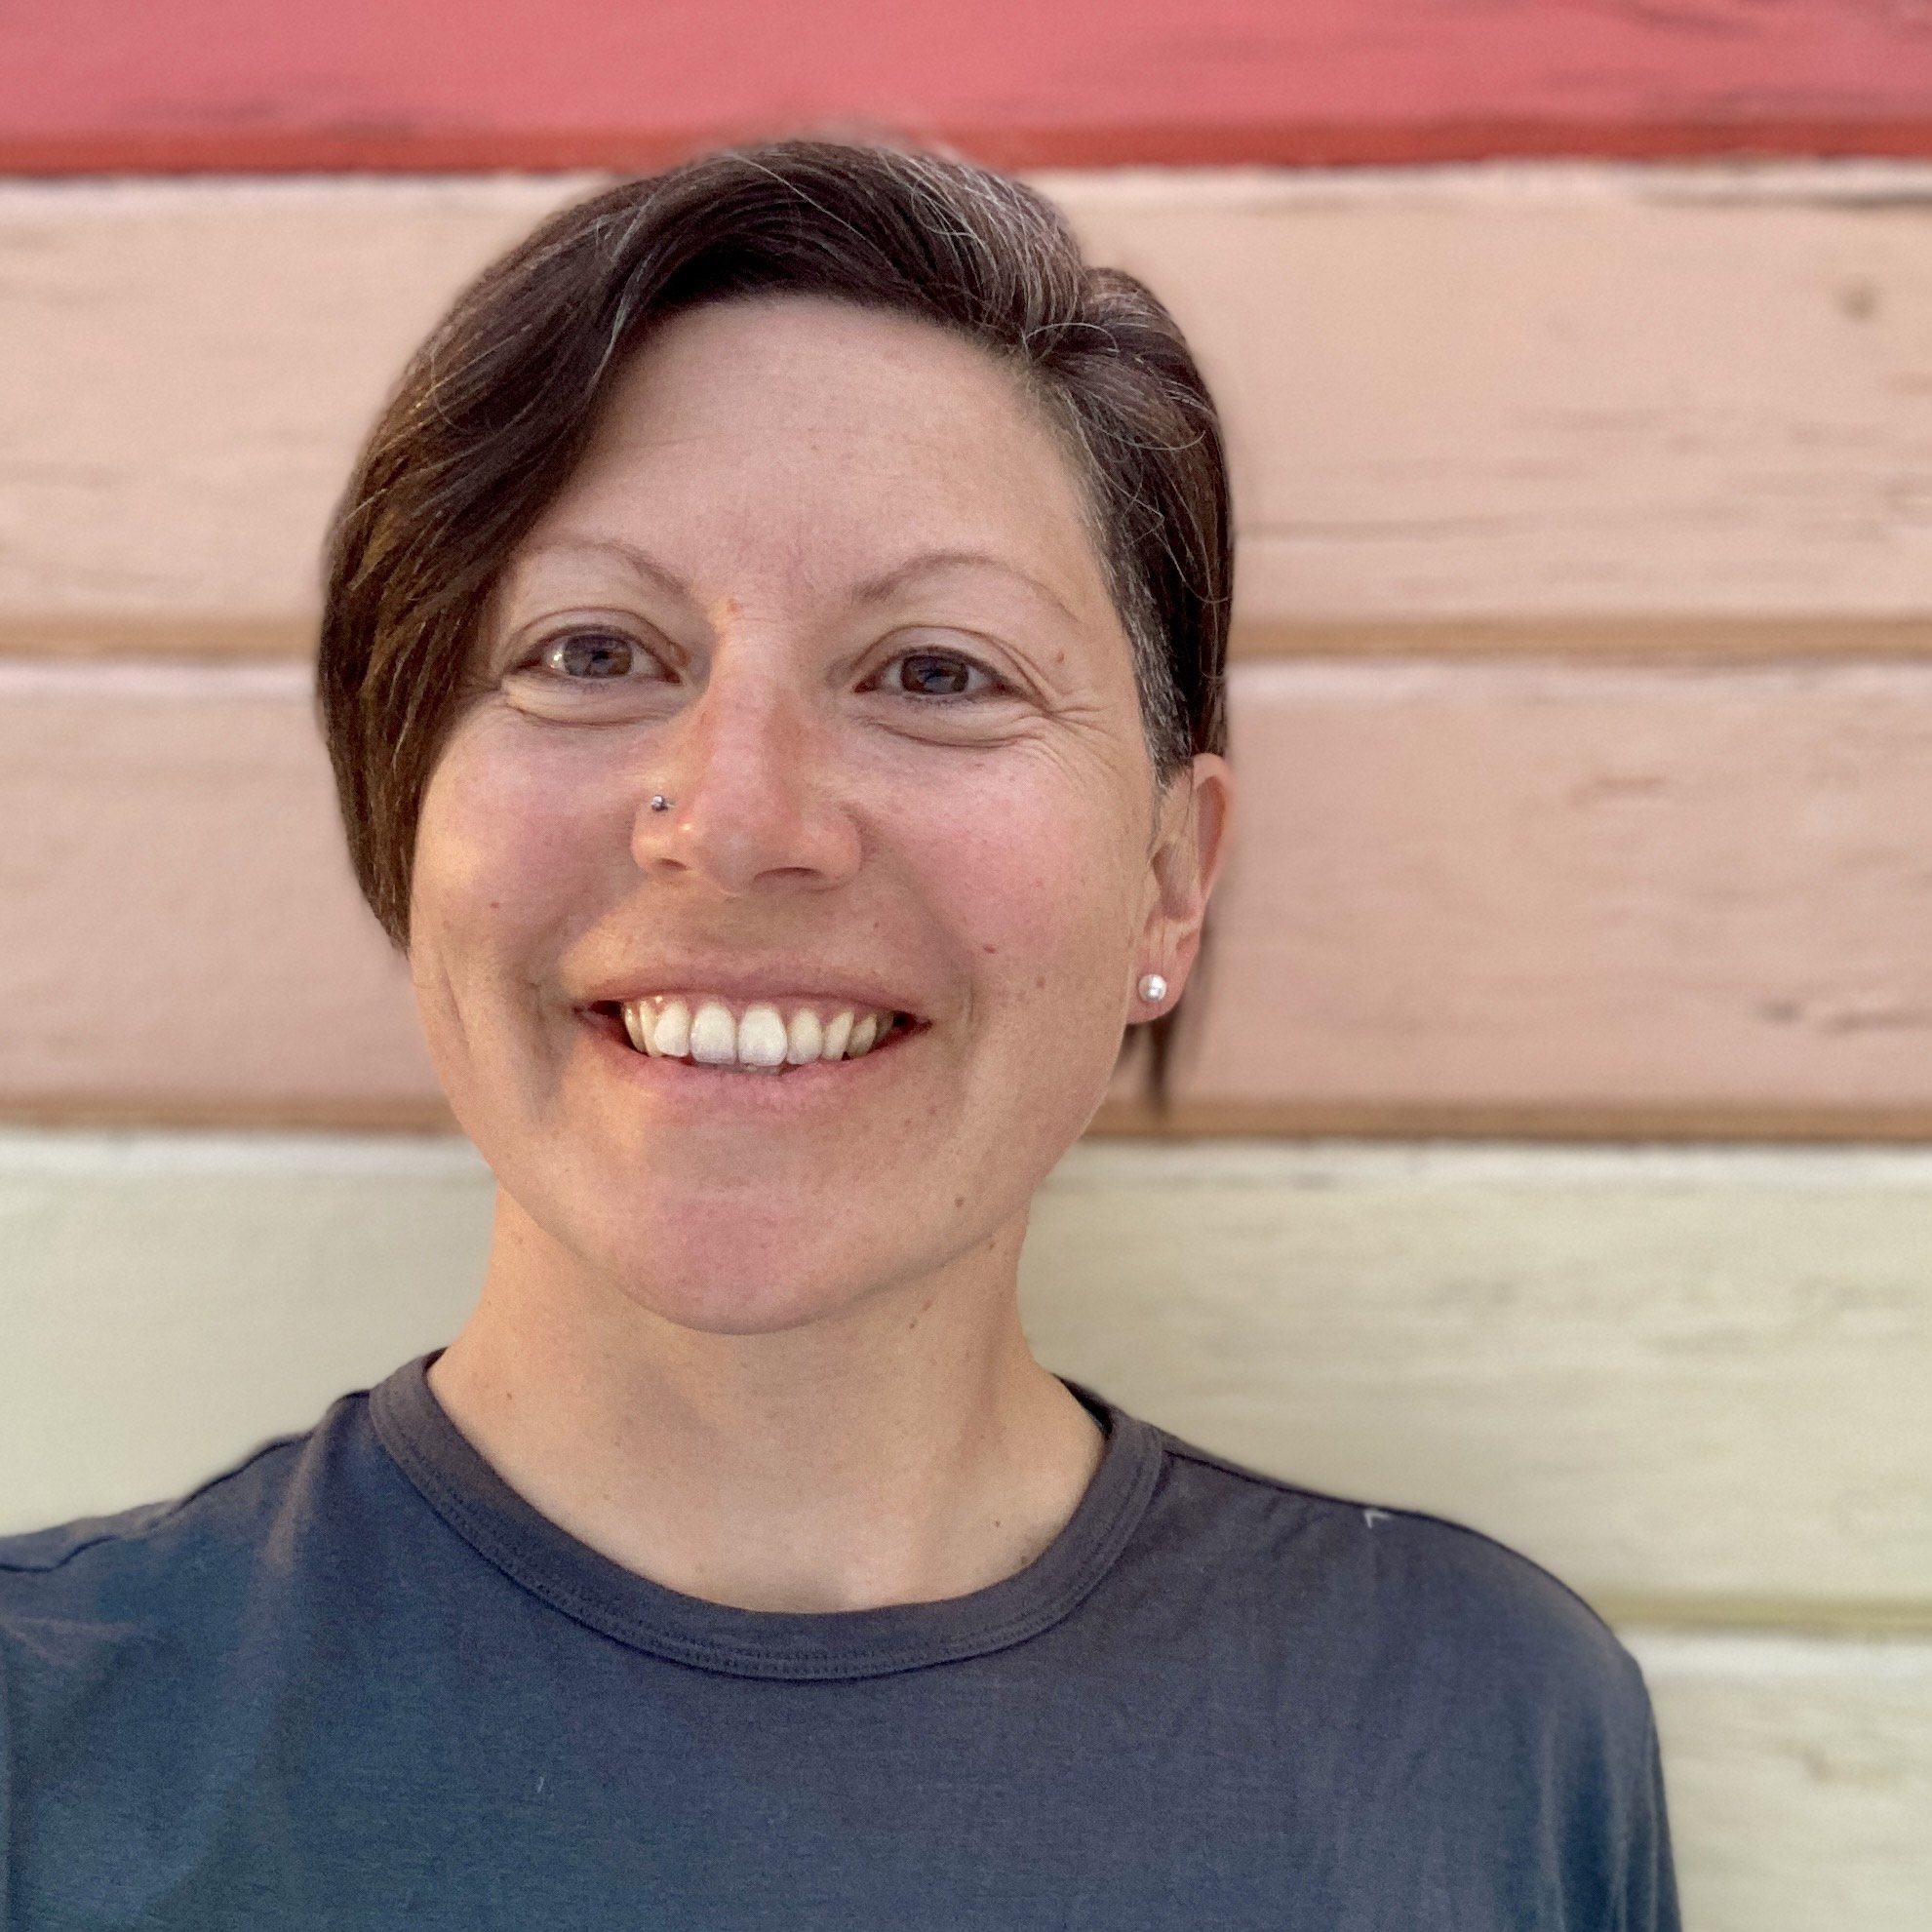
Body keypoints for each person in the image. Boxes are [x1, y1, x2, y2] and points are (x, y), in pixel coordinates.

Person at [0, 139, 1677, 1928]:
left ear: (1168, 883)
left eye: (935, 671)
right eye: (589, 650)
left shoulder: (1479, 1734)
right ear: (405, 809)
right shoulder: (46, 1749)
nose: (735, 818)